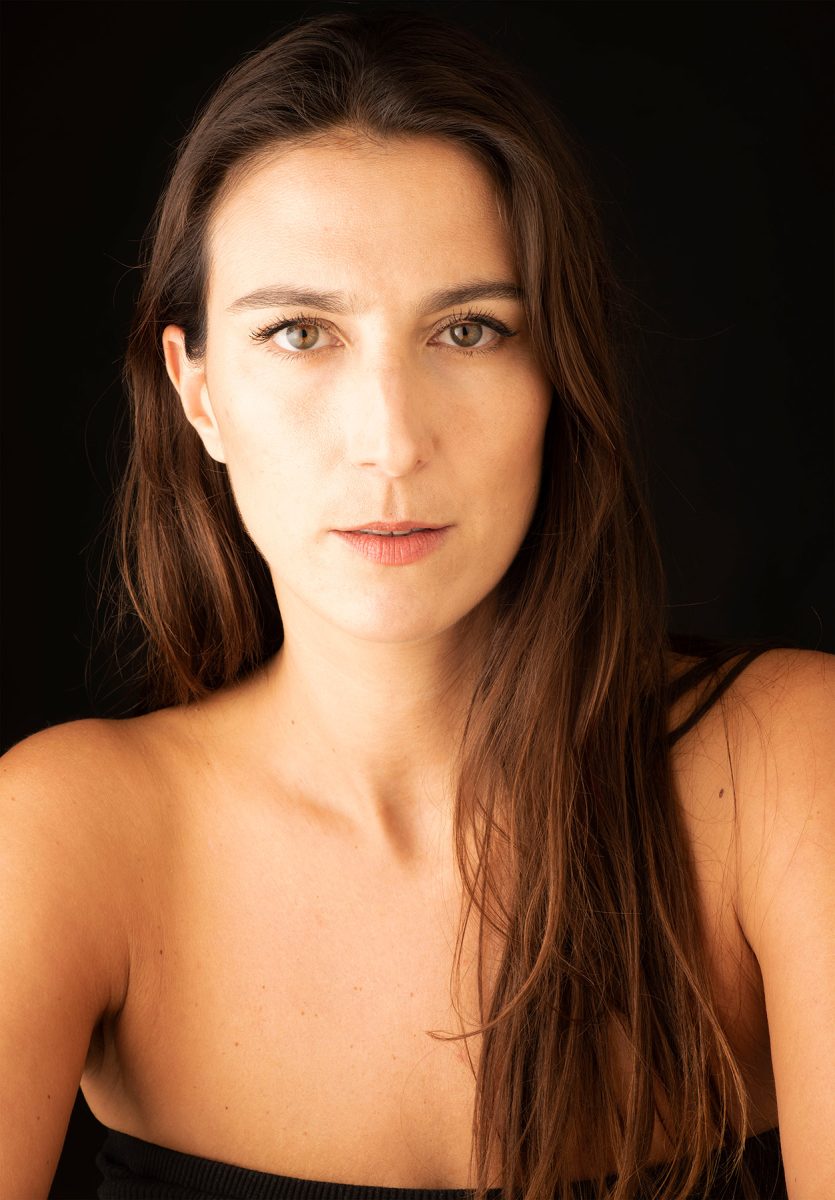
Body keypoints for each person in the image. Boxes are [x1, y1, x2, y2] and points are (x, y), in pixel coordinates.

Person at [2, 7, 832, 1199]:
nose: (390, 442)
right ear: (197, 392)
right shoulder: (65, 838)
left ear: (558, 374)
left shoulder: (788, 771)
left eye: (468, 330)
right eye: (300, 333)